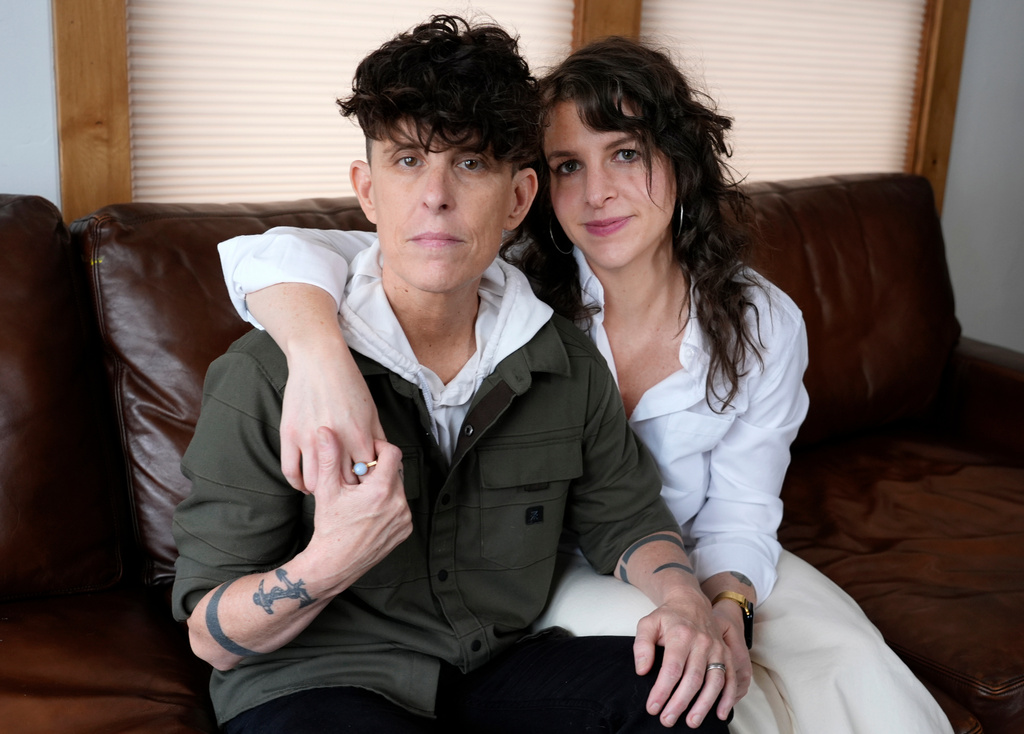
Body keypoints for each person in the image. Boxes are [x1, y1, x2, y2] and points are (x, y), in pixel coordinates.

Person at [217, 31, 954, 734]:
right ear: (537, 189)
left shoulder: (759, 320)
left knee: (851, 663)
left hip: (688, 551)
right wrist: (319, 360)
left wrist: (726, 603)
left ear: (680, 161)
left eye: (626, 154)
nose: (598, 192)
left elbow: (740, 508)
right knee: (706, 682)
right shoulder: (506, 289)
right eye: (569, 166)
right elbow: (296, 255)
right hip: (548, 566)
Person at [173, 16, 737, 733]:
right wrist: (331, 560)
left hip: (495, 668)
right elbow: (210, 637)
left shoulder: (565, 361)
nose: (435, 195)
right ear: (368, 190)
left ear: (519, 198)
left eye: (470, 163)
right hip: (320, 683)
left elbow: (626, 519)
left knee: (686, 698)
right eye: (408, 160)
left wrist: (684, 600)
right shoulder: (266, 375)